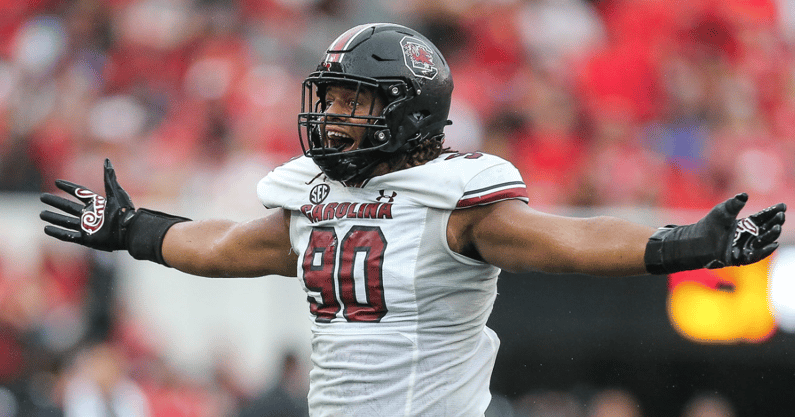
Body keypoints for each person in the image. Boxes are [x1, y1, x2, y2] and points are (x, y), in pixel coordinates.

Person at [39, 23, 786, 417]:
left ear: (407, 105)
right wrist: (136, 230)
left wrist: (685, 243)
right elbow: (229, 244)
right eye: (328, 97)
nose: (330, 114)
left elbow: (568, 236)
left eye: (351, 100)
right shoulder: (313, 196)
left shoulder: (452, 199)